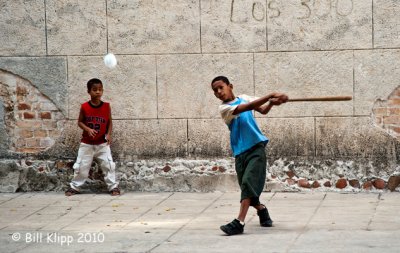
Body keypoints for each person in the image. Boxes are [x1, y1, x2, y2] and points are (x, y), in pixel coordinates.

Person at [211, 76, 288, 235]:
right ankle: (262, 210)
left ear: (230, 86)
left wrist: (273, 103)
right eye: (215, 90)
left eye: (221, 87)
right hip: (240, 152)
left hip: (256, 147)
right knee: (247, 189)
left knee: (247, 183)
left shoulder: (244, 97)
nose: (218, 92)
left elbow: (263, 109)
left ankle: (239, 222)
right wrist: (271, 95)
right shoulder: (224, 109)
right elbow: (250, 106)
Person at [65, 78, 120, 196]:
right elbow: (79, 122)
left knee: (109, 166)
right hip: (87, 143)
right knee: (81, 167)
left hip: (102, 144)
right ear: (88, 91)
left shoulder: (106, 106)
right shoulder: (85, 107)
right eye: (94, 90)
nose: (98, 92)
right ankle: (74, 187)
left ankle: (113, 187)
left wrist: (109, 134)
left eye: (100, 89)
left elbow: (110, 122)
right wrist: (88, 129)